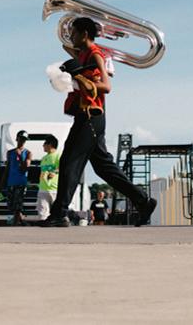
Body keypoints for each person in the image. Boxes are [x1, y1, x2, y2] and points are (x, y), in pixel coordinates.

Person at [40, 17, 157, 228]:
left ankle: (59, 213)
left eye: (74, 32)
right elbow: (66, 46)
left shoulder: (95, 54)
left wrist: (81, 81)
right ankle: (144, 201)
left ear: (84, 34)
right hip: (89, 117)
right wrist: (71, 23)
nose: (71, 35)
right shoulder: (84, 53)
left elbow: (106, 86)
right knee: (105, 169)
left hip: (90, 116)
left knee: (69, 162)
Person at [6, 131, 31, 226]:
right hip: (10, 182)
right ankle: (22, 220)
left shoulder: (28, 153)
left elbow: (25, 169)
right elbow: (7, 168)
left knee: (18, 205)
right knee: (11, 205)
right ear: (17, 139)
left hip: (21, 183)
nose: (22, 141)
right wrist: (2, 183)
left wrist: (20, 156)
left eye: (24, 140)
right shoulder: (10, 153)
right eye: (20, 139)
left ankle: (15, 224)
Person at [36, 136, 62, 222]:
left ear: (50, 144)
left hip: (55, 189)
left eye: (44, 144)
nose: (43, 146)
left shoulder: (58, 156)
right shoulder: (43, 158)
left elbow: (63, 168)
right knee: (42, 214)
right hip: (43, 189)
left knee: (56, 213)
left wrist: (54, 172)